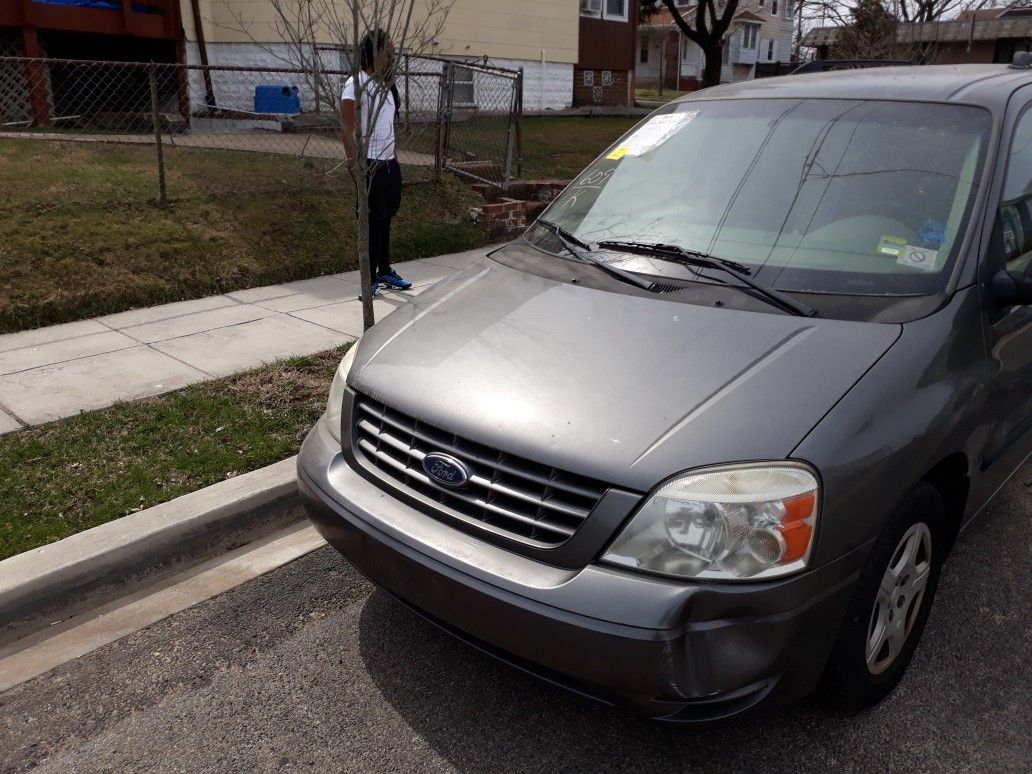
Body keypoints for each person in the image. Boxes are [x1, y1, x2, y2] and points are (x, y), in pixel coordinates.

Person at [341, 29, 412, 296]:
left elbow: (388, 127)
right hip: (367, 165)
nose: (393, 58)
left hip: (389, 164)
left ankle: (384, 271)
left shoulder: (387, 87)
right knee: (372, 221)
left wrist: (394, 159)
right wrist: (354, 167)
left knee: (386, 219)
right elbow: (347, 130)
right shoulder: (355, 85)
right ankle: (367, 280)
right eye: (389, 53)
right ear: (373, 53)